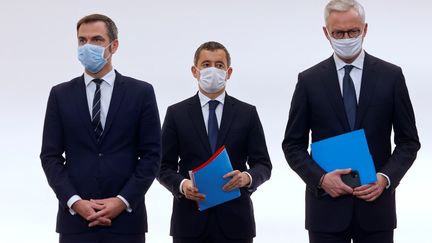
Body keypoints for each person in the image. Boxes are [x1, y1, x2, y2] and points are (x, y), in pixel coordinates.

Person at [282, 0, 420, 242]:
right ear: (326, 33)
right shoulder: (308, 81)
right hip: (326, 210)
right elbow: (292, 145)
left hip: (376, 209)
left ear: (365, 29)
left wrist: (385, 179)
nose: (346, 38)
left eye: (353, 31)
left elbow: (409, 142)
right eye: (338, 33)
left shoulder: (391, 77)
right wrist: (321, 180)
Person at [40, 14, 161, 243]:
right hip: (76, 221)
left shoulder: (141, 92)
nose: (88, 46)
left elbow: (152, 155)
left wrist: (122, 201)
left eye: (96, 39)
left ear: (113, 45)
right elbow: (50, 156)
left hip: (126, 221)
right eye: (82, 41)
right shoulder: (60, 94)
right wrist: (75, 201)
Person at [157, 41, 272, 243]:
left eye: (219, 65)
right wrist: (182, 185)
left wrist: (247, 177)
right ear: (195, 71)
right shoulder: (176, 113)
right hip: (189, 221)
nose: (213, 70)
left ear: (229, 72)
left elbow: (263, 164)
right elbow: (161, 166)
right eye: (206, 64)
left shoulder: (247, 113)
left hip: (236, 222)